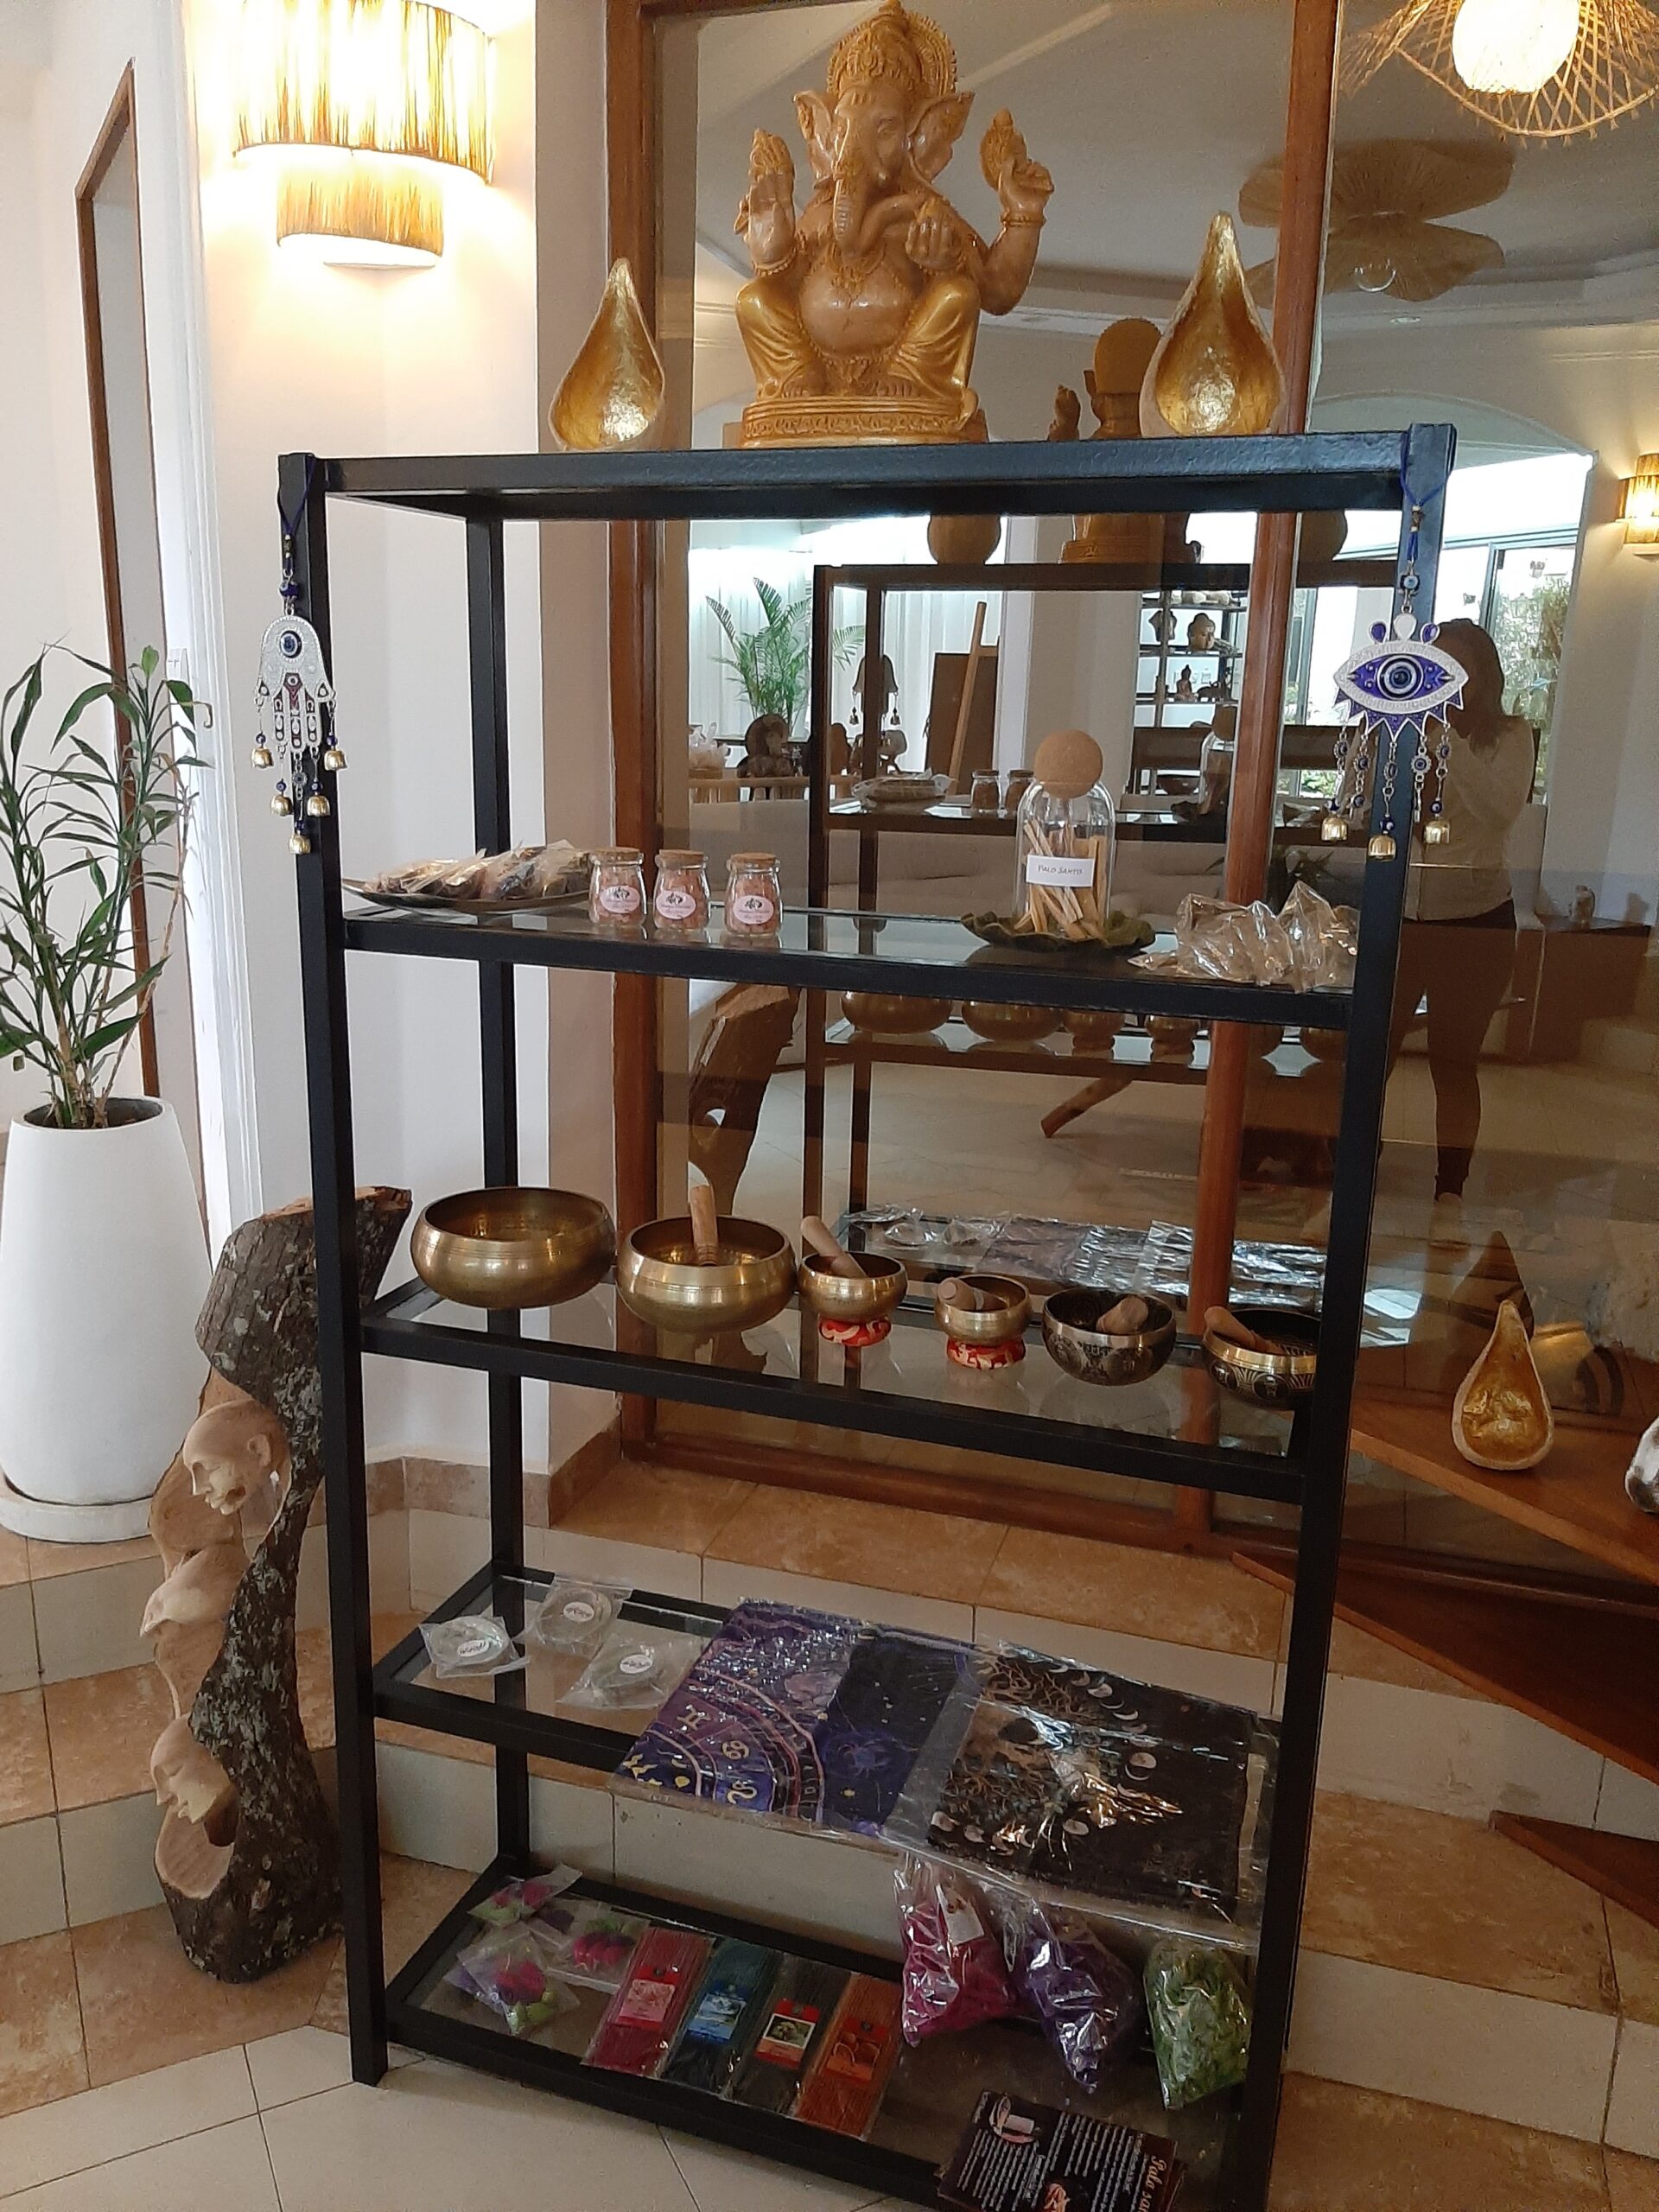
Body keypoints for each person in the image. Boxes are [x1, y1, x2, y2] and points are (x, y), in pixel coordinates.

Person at [1387, 618, 1535, 1247]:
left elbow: (1499, 811)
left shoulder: (1510, 736)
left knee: (1453, 1062)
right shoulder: (1404, 728)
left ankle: (1450, 1187)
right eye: (1438, 664)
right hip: (1401, 919)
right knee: (1373, 1053)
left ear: (1483, 674)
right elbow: (1368, 804)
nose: (1448, 677)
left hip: (1476, 925)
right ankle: (1348, 1165)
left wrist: (1444, 738)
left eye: (1460, 666)